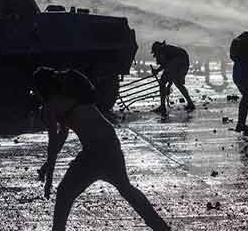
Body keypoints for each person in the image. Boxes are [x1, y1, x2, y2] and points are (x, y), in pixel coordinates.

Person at [32, 67, 171, 231]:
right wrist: (47, 166)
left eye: (35, 90)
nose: (34, 93)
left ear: (42, 88)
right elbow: (62, 135)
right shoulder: (69, 97)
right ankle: (160, 227)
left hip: (94, 152)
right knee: (126, 188)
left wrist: (48, 182)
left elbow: (53, 142)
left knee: (64, 194)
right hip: (110, 142)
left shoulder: (51, 107)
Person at [151, 41, 195, 113]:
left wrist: (168, 86)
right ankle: (190, 103)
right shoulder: (167, 50)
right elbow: (168, 67)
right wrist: (168, 84)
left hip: (178, 63)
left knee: (162, 82)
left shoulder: (163, 52)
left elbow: (168, 67)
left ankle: (162, 106)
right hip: (184, 63)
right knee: (178, 83)